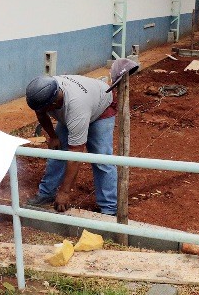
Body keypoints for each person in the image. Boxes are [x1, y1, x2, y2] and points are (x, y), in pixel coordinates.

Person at [25, 59, 138, 215]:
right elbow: (40, 113)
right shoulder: (45, 91)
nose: (40, 111)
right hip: (80, 106)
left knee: (101, 159)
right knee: (57, 153)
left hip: (101, 108)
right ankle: (46, 194)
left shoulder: (75, 108)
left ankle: (109, 208)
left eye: (43, 108)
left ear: (52, 104)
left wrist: (65, 192)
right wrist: (53, 136)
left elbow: (76, 154)